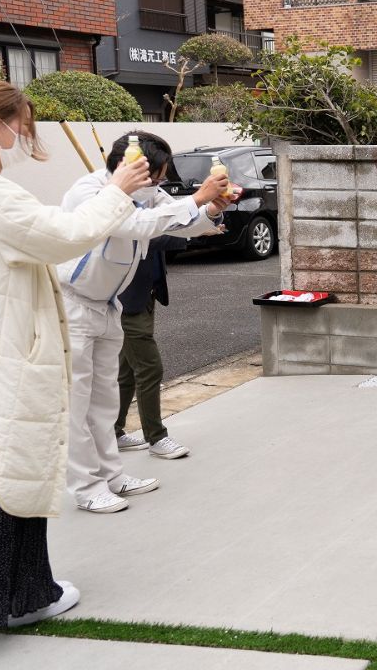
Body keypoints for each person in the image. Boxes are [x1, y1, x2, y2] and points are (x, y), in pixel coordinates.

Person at [0, 79, 151, 628]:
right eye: (20, 125)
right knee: (2, 470)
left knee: (1, 468)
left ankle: (22, 593)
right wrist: (118, 189)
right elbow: (65, 234)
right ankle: (2, 600)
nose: (23, 135)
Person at [59, 133, 229, 513]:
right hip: (71, 305)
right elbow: (135, 224)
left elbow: (179, 222)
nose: (159, 184)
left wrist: (211, 209)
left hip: (107, 304)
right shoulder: (90, 191)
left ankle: (111, 475)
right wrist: (197, 199)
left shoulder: (147, 192)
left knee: (102, 402)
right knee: (77, 403)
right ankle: (87, 487)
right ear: (135, 167)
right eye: (158, 174)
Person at [115, 234, 188, 458]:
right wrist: (194, 229)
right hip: (126, 300)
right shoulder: (123, 203)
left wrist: (207, 216)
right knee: (149, 367)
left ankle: (112, 432)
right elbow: (146, 236)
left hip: (145, 294)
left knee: (127, 370)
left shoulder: (150, 198)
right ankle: (156, 437)